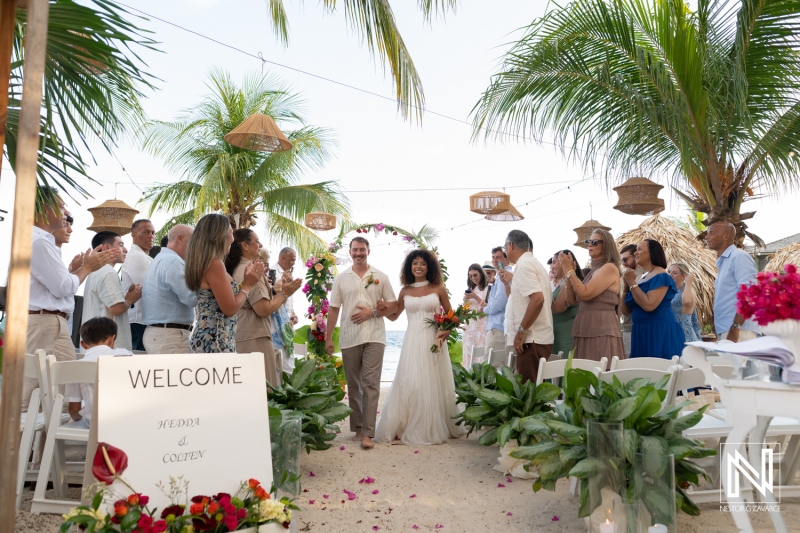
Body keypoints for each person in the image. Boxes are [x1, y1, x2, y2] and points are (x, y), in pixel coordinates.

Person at [25, 187, 113, 408]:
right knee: (60, 396)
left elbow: (52, 287)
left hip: (42, 322)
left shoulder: (37, 240)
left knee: (36, 395)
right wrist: (88, 267)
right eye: (62, 205)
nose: (66, 212)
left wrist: (75, 271)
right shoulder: (40, 241)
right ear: (45, 209)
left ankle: (29, 443)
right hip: (47, 325)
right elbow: (62, 288)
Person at [375, 249, 465, 445]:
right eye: (414, 263)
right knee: (412, 380)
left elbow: (453, 317)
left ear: (429, 266)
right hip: (411, 339)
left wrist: (445, 332)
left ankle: (431, 425)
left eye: (422, 263)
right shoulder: (405, 291)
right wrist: (382, 310)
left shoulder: (438, 288)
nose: (418, 266)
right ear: (410, 267)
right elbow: (394, 316)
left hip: (433, 340)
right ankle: (407, 423)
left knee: (431, 381)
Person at [325, 237, 397, 450]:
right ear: (350, 252)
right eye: (355, 250)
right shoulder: (341, 279)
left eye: (362, 249)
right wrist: (329, 337)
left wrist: (373, 312)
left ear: (368, 251)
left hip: (375, 335)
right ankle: (357, 427)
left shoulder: (380, 277)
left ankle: (367, 433)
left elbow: (393, 306)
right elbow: (334, 308)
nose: (358, 253)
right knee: (354, 384)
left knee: (371, 383)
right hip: (349, 336)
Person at [226, 229, 297, 385]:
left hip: (240, 335)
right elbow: (263, 309)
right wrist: (285, 294)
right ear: (244, 245)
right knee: (263, 391)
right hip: (254, 337)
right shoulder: (251, 271)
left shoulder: (236, 268)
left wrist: (275, 291)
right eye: (256, 241)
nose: (260, 245)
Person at [184, 214, 264, 353]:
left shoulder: (204, 263)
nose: (233, 239)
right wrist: (248, 285)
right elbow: (230, 308)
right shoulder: (215, 264)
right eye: (231, 233)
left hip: (210, 337)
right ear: (219, 236)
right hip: (215, 341)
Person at [557, 229, 624, 362]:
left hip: (601, 328)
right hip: (586, 326)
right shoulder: (594, 270)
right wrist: (568, 274)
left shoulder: (609, 267)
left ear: (606, 245)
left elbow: (585, 293)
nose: (590, 245)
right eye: (588, 242)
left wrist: (570, 271)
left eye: (594, 242)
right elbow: (572, 299)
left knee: (600, 372)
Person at [500, 230, 553, 384]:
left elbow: (537, 300)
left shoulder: (524, 266)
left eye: (505, 247)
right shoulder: (535, 264)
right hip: (535, 339)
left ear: (510, 246)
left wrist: (521, 333)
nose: (505, 251)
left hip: (530, 341)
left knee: (526, 397)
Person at [620, 239, 686, 358]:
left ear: (652, 253)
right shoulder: (639, 278)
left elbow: (649, 305)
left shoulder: (661, 275)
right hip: (640, 331)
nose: (635, 253)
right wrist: (626, 286)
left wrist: (631, 282)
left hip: (659, 330)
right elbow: (625, 310)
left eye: (639, 249)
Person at [66, 317, 132, 427]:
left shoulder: (76, 367)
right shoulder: (127, 355)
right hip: (127, 422)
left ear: (83, 344)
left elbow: (74, 410)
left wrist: (77, 418)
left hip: (95, 426)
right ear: (112, 339)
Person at [82, 231, 142, 351]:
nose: (125, 249)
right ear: (107, 247)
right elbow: (116, 309)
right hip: (109, 349)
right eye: (120, 244)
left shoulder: (94, 272)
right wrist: (130, 299)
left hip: (96, 345)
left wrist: (126, 297)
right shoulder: (107, 272)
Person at [141, 224, 197, 354]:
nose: (195, 247)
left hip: (165, 334)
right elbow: (191, 298)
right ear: (179, 239)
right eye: (193, 241)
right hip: (169, 335)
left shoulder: (161, 259)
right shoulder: (173, 261)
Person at [705, 222, 759, 342]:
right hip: (728, 329)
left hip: (740, 331)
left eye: (711, 233)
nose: (706, 237)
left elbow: (749, 293)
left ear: (726, 236)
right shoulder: (723, 261)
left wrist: (735, 328)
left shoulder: (739, 256)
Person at [121, 219, 155, 351]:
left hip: (143, 321)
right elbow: (151, 289)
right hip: (139, 322)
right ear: (133, 235)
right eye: (146, 232)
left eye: (153, 232)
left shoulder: (143, 256)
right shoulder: (137, 256)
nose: (151, 236)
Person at [482, 247, 511, 366]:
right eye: (493, 257)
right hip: (498, 327)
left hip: (498, 328)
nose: (494, 260)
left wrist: (484, 309)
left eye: (498, 257)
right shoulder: (499, 276)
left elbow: (499, 304)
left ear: (506, 258)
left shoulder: (505, 275)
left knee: (488, 368)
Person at [551, 249, 582, 357]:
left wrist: (542, 286)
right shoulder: (561, 284)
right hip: (557, 336)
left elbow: (558, 308)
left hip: (566, 338)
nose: (551, 266)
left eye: (554, 262)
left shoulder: (571, 283)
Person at [274, 247, 300, 372]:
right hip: (277, 323)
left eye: (294, 261)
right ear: (282, 258)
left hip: (288, 321)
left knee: (288, 359)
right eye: (291, 260)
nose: (293, 263)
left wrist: (292, 313)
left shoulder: (288, 272)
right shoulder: (274, 272)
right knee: (281, 361)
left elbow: (288, 299)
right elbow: (274, 296)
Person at [462, 263, 489, 365]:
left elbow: (489, 307)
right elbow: (466, 310)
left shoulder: (488, 288)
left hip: (482, 325)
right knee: (469, 354)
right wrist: (465, 301)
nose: (473, 278)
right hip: (470, 326)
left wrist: (475, 297)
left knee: (481, 353)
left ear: (481, 274)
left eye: (475, 275)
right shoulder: (471, 288)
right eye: (470, 276)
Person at [668, 262, 701, 342]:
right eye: (669, 272)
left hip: (684, 333)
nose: (670, 275)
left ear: (683, 276)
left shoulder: (686, 291)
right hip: (669, 331)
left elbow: (687, 302)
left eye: (674, 273)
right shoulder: (667, 291)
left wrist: (688, 283)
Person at [619, 244, 641, 357]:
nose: (623, 263)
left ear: (636, 256)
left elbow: (626, 310)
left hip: (638, 328)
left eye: (625, 259)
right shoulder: (625, 276)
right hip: (628, 327)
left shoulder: (643, 276)